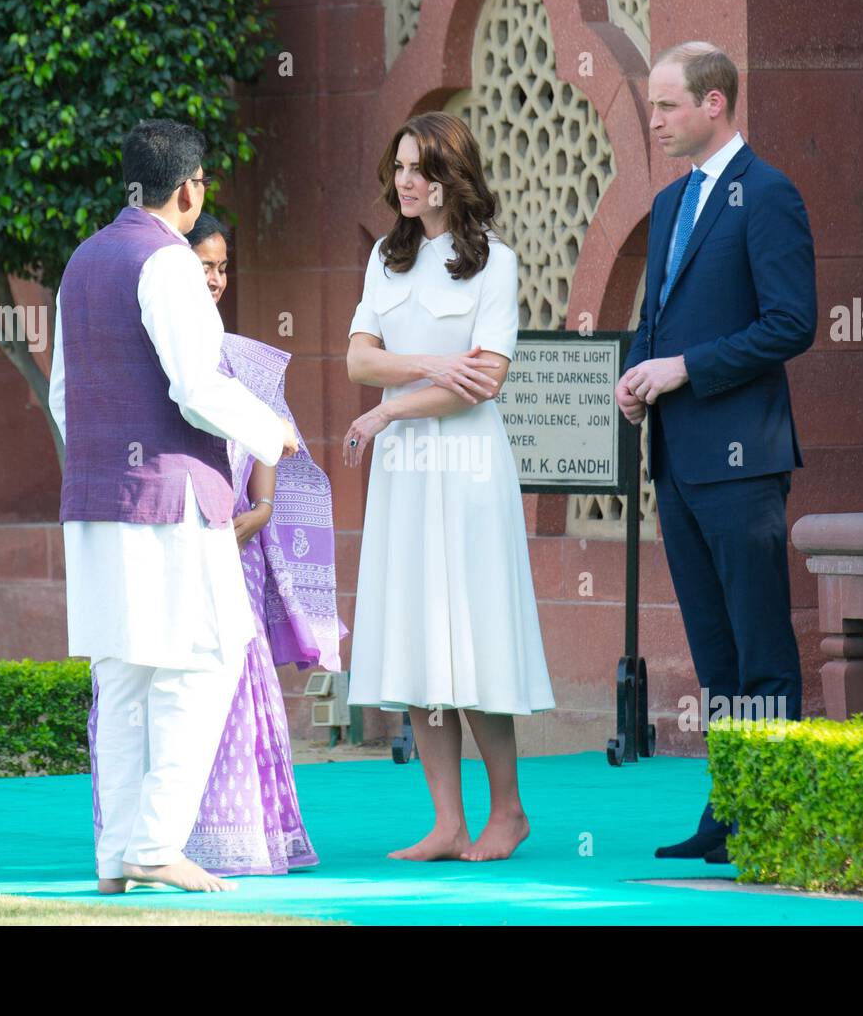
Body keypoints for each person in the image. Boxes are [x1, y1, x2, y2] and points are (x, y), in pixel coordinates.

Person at [50, 118, 300, 893]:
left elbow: (64, 396)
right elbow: (197, 386)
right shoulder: (165, 261)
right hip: (169, 501)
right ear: (189, 187)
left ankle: (117, 852)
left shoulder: (84, 259)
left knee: (122, 676)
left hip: (96, 502)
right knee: (209, 658)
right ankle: (155, 842)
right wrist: (272, 432)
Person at [87, 212, 347, 876]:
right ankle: (149, 846)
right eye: (203, 264)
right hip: (169, 532)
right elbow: (193, 399)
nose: (213, 279)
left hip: (227, 552)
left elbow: (265, 491)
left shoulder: (247, 363)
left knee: (199, 682)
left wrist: (239, 525)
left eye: (222, 267)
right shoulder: (153, 352)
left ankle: (165, 847)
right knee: (150, 681)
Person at [616, 42, 816, 862]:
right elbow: (664, 317)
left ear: (714, 104)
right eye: (652, 106)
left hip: (742, 461)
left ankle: (775, 815)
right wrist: (636, 369)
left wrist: (685, 369)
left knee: (760, 645)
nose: (654, 119)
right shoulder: (669, 204)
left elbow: (790, 323)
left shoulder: (769, 195)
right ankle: (729, 809)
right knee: (714, 647)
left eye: (666, 105)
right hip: (678, 457)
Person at [343, 111, 555, 863]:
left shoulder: (495, 260)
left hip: (466, 472)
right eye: (398, 166)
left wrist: (393, 407)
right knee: (417, 641)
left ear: (450, 178)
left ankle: (508, 811)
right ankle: (446, 821)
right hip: (404, 477)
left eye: (419, 168)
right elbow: (358, 361)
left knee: (475, 638)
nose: (403, 181)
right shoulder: (385, 257)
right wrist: (431, 367)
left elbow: (485, 380)